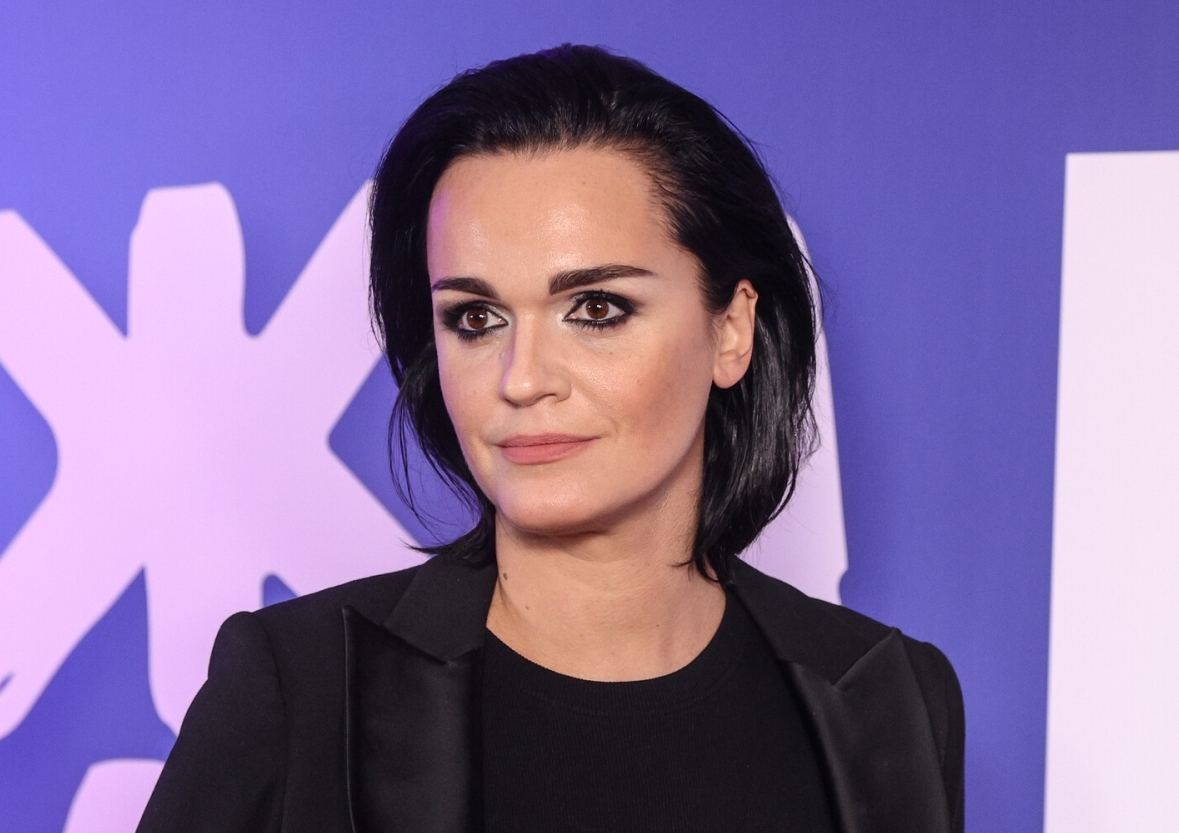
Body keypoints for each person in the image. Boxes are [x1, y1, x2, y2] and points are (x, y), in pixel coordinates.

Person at [139, 44, 964, 833]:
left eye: (595, 309)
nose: (522, 378)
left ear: (730, 330)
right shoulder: (300, 688)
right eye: (476, 318)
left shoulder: (888, 696)